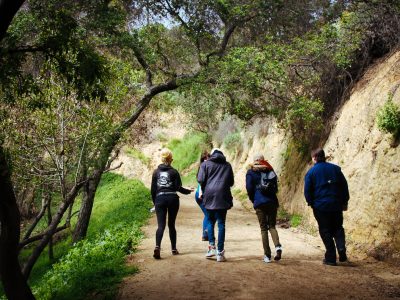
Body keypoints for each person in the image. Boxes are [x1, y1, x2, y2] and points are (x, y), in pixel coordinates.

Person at [304, 148, 350, 266]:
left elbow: (307, 191)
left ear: (314, 158)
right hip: (336, 204)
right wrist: (344, 202)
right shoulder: (336, 169)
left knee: (325, 230)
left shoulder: (311, 172)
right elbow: (344, 187)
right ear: (324, 156)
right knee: (338, 228)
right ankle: (341, 248)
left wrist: (311, 203)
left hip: (321, 206)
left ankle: (331, 257)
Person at [151, 148, 192, 259]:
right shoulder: (174, 172)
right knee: (171, 225)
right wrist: (188, 191)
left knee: (161, 226)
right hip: (172, 198)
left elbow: (153, 190)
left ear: (161, 159)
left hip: (160, 199)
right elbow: (177, 187)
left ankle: (157, 247)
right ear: (171, 159)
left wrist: (155, 204)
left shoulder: (156, 172)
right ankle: (173, 249)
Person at [197, 148, 234, 262]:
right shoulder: (227, 165)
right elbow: (231, 182)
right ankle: (220, 253)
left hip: (209, 196)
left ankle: (212, 247)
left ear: (212, 155)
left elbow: (200, 179)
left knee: (210, 221)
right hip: (223, 196)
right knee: (221, 224)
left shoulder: (206, 164)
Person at [246, 154, 283, 264]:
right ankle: (278, 246)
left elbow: (249, 188)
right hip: (272, 201)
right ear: (263, 160)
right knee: (272, 226)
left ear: (254, 161)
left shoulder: (251, 172)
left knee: (263, 229)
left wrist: (254, 199)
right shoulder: (270, 169)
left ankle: (267, 255)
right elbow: (275, 187)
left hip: (259, 202)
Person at [195, 151, 211, 241]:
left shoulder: (202, 167)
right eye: (206, 158)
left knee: (208, 214)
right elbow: (201, 184)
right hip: (201, 194)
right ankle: (205, 234)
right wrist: (201, 194)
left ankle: (206, 233)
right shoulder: (204, 167)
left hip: (201, 194)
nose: (207, 160)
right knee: (208, 215)